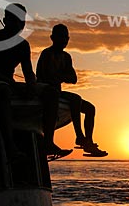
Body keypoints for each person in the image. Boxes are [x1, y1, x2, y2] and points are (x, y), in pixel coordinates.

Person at [0, 3, 72, 161]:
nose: (19, 25)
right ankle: (10, 146)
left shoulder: (23, 45)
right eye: (15, 20)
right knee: (4, 91)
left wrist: (31, 86)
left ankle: (48, 142)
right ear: (5, 20)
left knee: (50, 92)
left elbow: (28, 72)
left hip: (9, 83)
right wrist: (14, 86)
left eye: (22, 21)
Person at [36, 24, 108, 157]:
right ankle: (78, 137)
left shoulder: (66, 57)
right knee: (75, 99)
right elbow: (42, 77)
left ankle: (88, 141)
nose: (64, 40)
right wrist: (59, 77)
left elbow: (73, 78)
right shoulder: (47, 54)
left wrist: (59, 77)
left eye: (66, 38)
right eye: (61, 37)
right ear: (52, 38)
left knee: (90, 109)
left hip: (58, 93)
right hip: (47, 93)